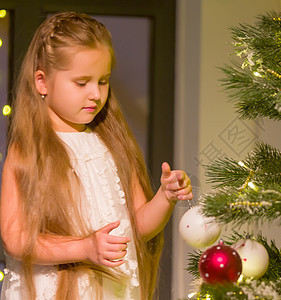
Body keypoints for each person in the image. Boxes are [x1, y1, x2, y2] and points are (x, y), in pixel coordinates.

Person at [0, 11, 192, 299]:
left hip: (111, 290)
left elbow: (137, 226)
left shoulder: (113, 145)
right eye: (81, 82)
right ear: (42, 82)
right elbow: (15, 238)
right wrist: (85, 247)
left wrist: (164, 197)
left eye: (103, 81)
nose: (95, 94)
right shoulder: (27, 151)